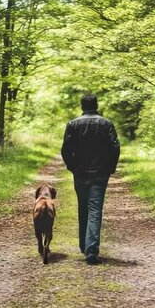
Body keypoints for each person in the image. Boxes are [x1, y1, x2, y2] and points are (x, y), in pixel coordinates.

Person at [61, 94, 120, 265]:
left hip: (80, 172)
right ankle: (91, 249)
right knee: (95, 209)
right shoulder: (106, 124)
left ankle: (84, 246)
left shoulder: (73, 124)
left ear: (82, 106)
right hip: (100, 173)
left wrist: (73, 166)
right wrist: (111, 167)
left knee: (83, 207)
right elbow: (115, 147)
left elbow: (66, 149)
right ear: (96, 105)